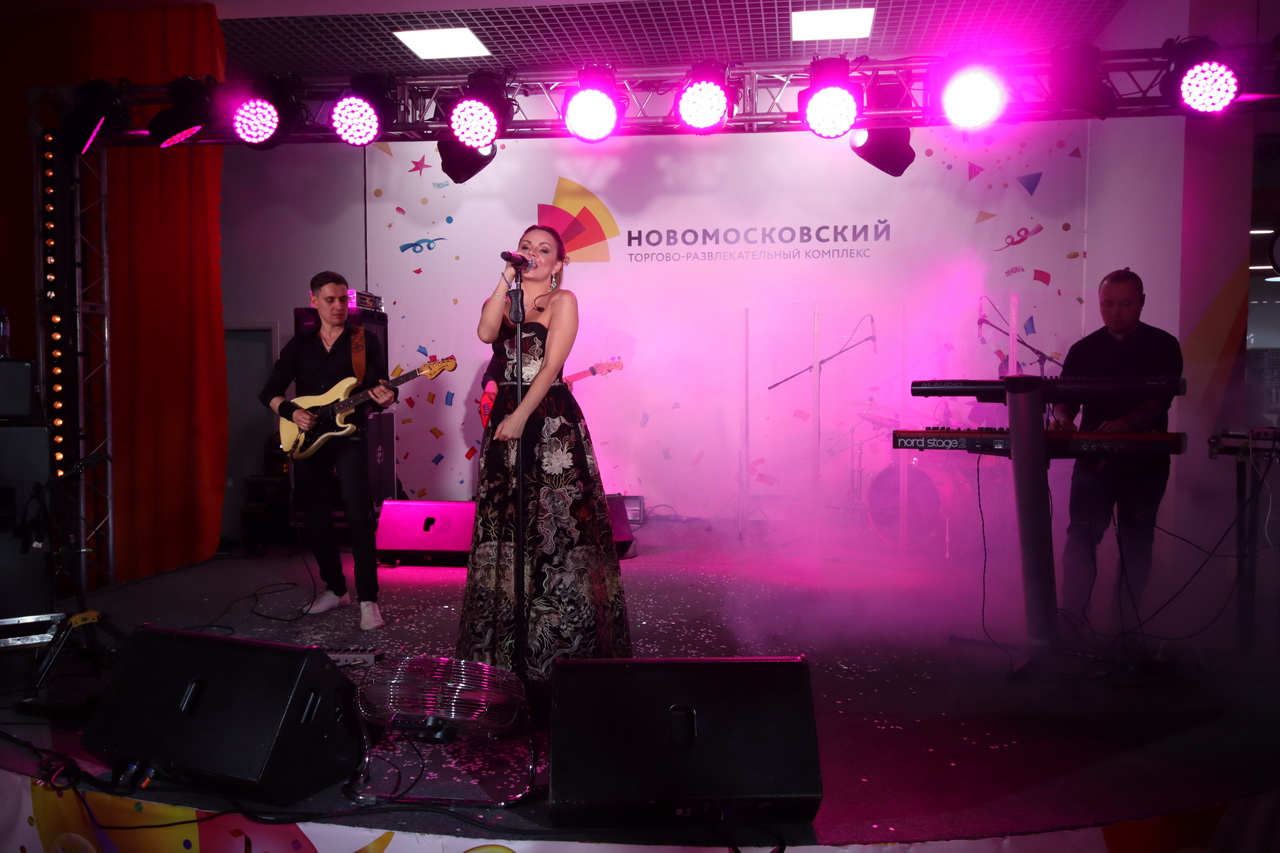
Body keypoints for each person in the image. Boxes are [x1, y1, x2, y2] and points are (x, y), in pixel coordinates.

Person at [456, 225, 631, 702]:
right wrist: (504, 279)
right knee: (507, 526)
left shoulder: (563, 301)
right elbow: (485, 333)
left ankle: (556, 654)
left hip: (548, 419)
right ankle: (504, 655)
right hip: (506, 417)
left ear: (558, 263)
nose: (532, 253)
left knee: (554, 531)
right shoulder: (506, 300)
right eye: (526, 246)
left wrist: (519, 416)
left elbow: (552, 367)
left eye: (544, 249)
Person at [1049, 268, 1183, 634]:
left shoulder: (1163, 345)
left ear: (1141, 302)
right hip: (1094, 460)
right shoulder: (1083, 350)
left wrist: (1127, 423)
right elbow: (1064, 400)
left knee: (1137, 542)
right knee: (1081, 535)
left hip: (1145, 462)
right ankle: (1072, 621)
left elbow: (1157, 402)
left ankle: (1125, 627)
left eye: (1125, 304)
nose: (1116, 312)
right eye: (1108, 304)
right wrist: (1063, 420)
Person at [259, 271, 396, 631]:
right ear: (314, 301)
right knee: (315, 515)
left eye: (342, 300)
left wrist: (385, 397)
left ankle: (368, 600)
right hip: (307, 438)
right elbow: (269, 392)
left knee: (358, 515)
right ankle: (335, 589)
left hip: (350, 434)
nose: (338, 306)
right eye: (330, 300)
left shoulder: (364, 341)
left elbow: (379, 388)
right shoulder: (300, 344)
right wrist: (292, 412)